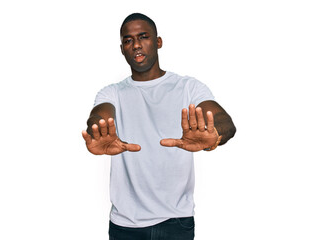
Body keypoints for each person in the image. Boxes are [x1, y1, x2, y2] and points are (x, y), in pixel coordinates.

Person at [82, 13, 236, 240]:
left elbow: (225, 122)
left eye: (143, 37)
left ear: (158, 42)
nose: (135, 44)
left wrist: (215, 135)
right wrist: (98, 128)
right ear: (122, 49)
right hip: (125, 224)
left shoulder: (187, 87)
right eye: (128, 40)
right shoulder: (111, 92)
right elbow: (100, 114)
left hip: (176, 222)